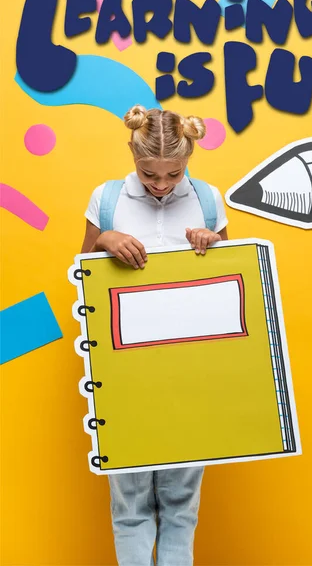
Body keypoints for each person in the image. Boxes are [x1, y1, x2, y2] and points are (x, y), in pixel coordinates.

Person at [80, 104, 228, 566]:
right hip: (124, 375)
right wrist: (105, 240)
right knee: (129, 503)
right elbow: (80, 273)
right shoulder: (106, 198)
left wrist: (215, 243)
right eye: (148, 173)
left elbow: (231, 285)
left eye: (173, 173)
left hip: (193, 374)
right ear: (131, 153)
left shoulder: (207, 199)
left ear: (189, 159)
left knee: (182, 502)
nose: (161, 184)